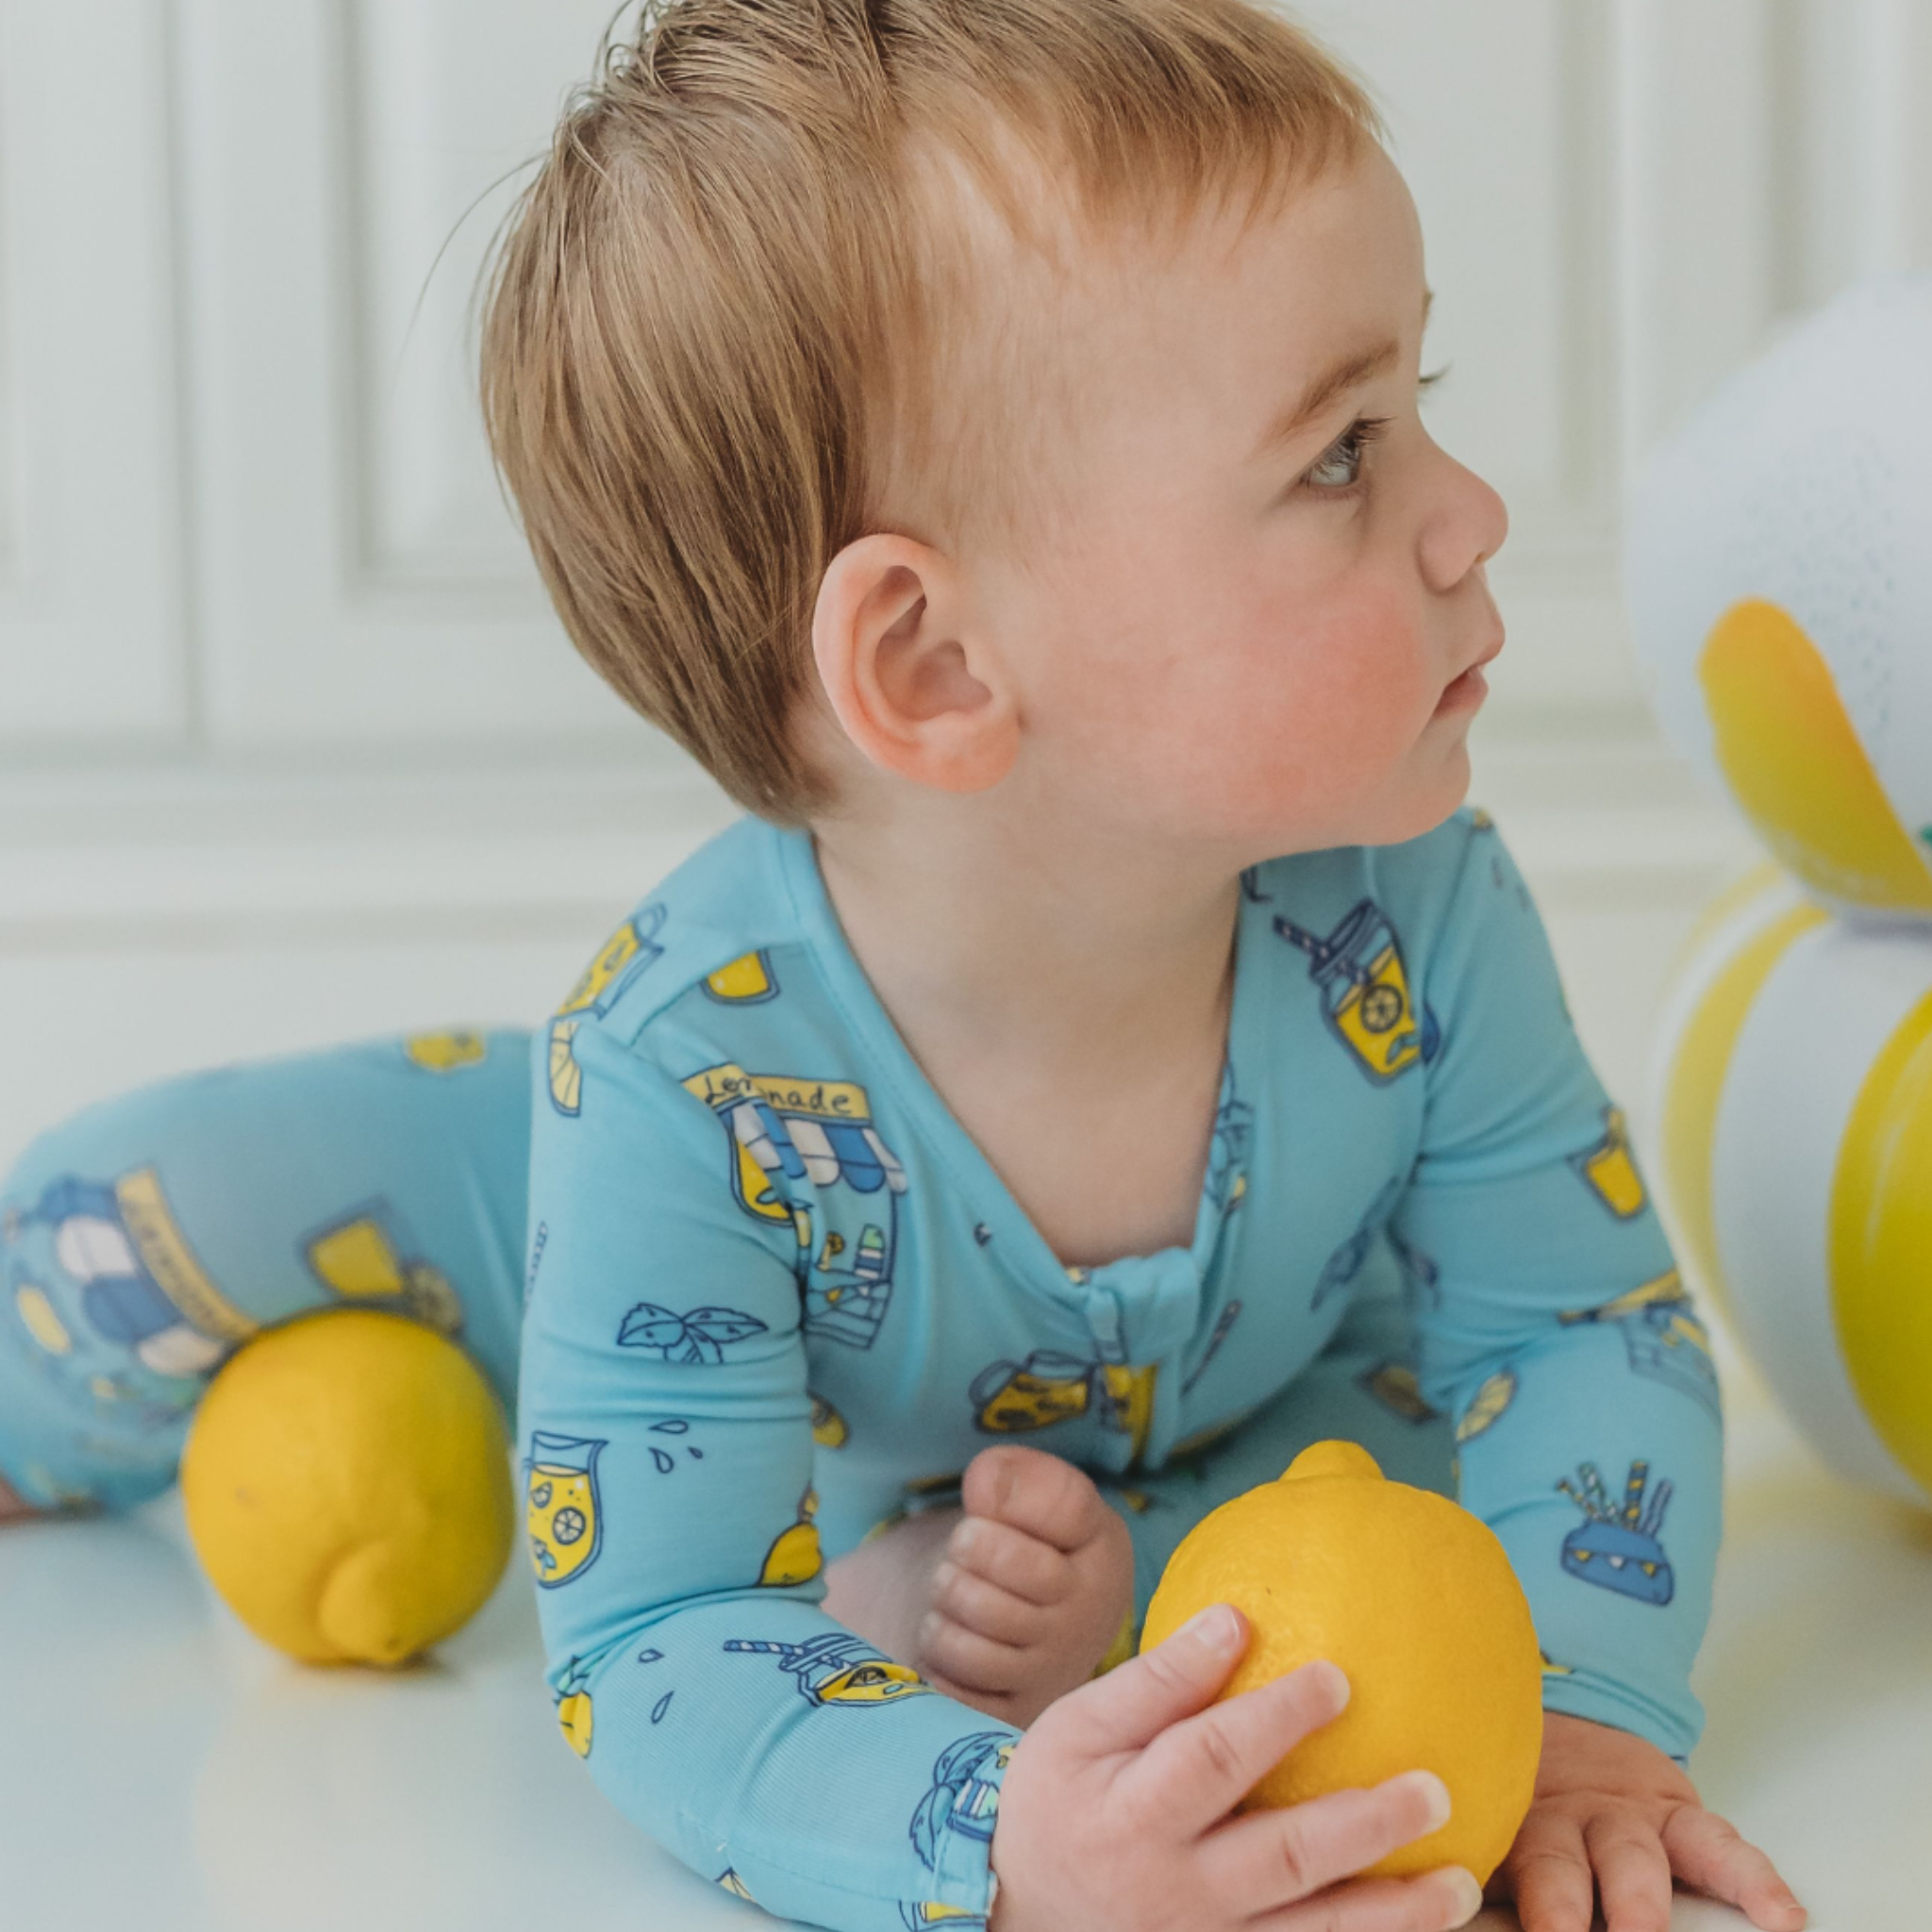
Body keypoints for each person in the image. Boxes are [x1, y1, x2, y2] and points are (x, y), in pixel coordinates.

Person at [0, 4, 1809, 1930]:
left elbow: (1570, 1330)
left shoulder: (1410, 908)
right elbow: (664, 1624)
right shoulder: (671, 1081)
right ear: (938, 668)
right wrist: (1001, 1831)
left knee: (1354, 1496)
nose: (1473, 510)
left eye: (1417, 393)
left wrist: (1584, 1715)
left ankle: (969, 1575)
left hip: (1214, 1401)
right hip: (659, 1259)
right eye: (1342, 452)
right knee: (172, 1197)